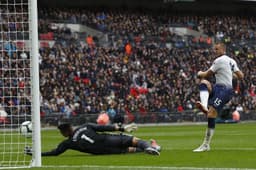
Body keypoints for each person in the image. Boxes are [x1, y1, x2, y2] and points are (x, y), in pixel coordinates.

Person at [193, 43, 244, 152]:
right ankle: (204, 106)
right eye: (214, 49)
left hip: (225, 90)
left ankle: (206, 145)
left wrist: (199, 73)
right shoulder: (231, 60)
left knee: (211, 113)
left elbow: (207, 74)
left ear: (222, 49)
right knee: (204, 84)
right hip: (218, 87)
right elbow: (241, 76)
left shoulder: (219, 60)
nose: (214, 51)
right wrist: (230, 74)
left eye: (216, 49)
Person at [24, 122, 161, 156]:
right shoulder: (85, 126)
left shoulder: (68, 143)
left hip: (104, 151)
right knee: (135, 140)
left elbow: (55, 152)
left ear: (65, 132)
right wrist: (122, 128)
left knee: (129, 150)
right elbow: (104, 128)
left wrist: (35, 153)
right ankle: (150, 147)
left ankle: (151, 148)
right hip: (107, 140)